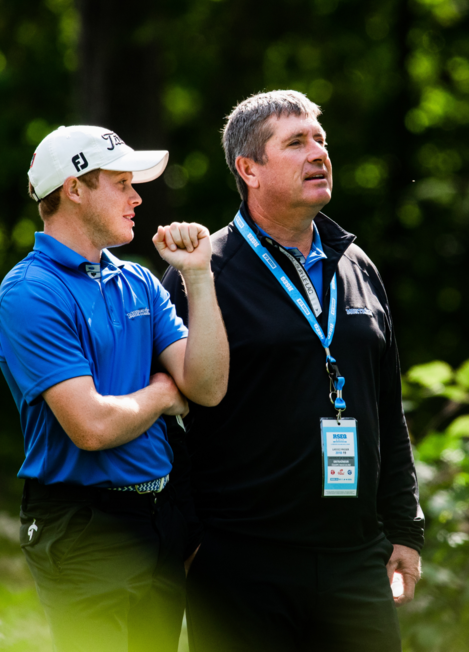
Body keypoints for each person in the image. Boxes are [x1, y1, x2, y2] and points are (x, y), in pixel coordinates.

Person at [162, 90, 424, 652]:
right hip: (241, 559)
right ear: (249, 169)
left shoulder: (356, 264)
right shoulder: (205, 271)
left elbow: (385, 403)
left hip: (354, 558)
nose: (319, 153)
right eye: (297, 142)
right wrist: (190, 537)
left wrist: (404, 528)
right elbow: (167, 416)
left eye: (321, 140)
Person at [0, 124, 228, 652]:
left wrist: (199, 278)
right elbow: (92, 427)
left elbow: (208, 387)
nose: (137, 196)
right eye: (121, 183)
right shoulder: (30, 291)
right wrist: (164, 396)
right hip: (82, 525)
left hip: (159, 518)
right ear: (74, 188)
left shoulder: (139, 280)